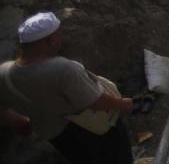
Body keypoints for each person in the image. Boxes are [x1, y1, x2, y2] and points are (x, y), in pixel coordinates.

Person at [0, 13, 134, 164]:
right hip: (92, 129)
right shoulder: (61, 69)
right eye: (58, 35)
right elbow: (96, 101)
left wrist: (20, 123)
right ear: (51, 40)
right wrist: (123, 104)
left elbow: (3, 108)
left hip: (57, 138)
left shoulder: (4, 72)